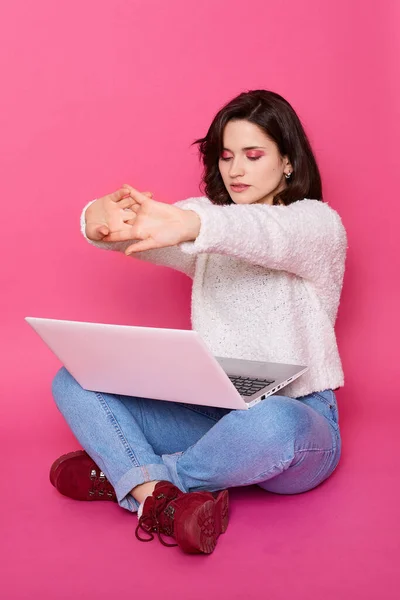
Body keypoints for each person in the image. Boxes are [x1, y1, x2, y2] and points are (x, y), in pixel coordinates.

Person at [50, 89, 347, 555]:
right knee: (73, 379)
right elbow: (131, 231)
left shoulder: (317, 224)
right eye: (227, 156)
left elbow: (266, 233)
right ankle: (160, 501)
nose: (237, 170)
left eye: (253, 155)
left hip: (300, 422)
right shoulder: (205, 220)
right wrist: (95, 219)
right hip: (216, 417)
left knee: (274, 423)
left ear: (287, 162)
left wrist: (195, 226)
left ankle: (138, 479)